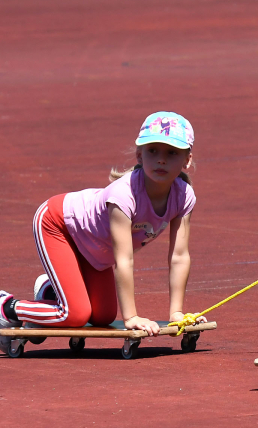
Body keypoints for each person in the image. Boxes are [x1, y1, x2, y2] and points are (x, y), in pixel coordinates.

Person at [0, 112, 203, 351]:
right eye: (153, 151)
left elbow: (179, 257)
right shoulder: (123, 195)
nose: (161, 160)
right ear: (140, 154)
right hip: (59, 225)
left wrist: (176, 312)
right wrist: (131, 318)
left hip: (94, 249)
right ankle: (7, 306)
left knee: (103, 316)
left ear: (187, 159)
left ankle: (50, 292)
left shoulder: (184, 196)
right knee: (75, 315)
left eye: (172, 153)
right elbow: (123, 260)